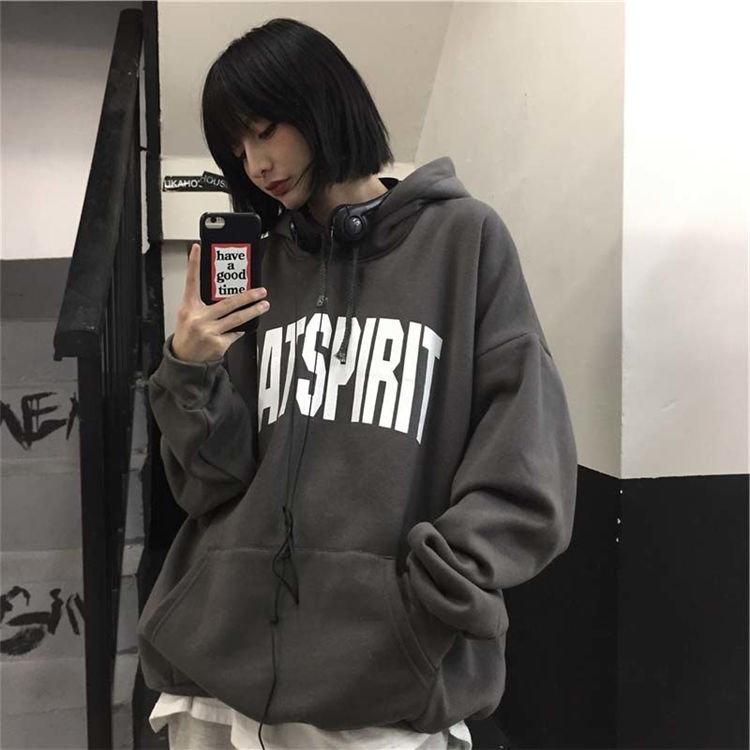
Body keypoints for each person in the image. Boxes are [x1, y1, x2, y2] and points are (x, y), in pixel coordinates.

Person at [136, 16, 578, 750]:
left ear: (323, 102)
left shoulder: (463, 241)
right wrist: (188, 368)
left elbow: (527, 461)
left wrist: (432, 596)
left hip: (381, 687)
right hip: (216, 678)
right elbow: (211, 485)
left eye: (266, 130)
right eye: (238, 148)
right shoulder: (262, 268)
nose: (256, 163)